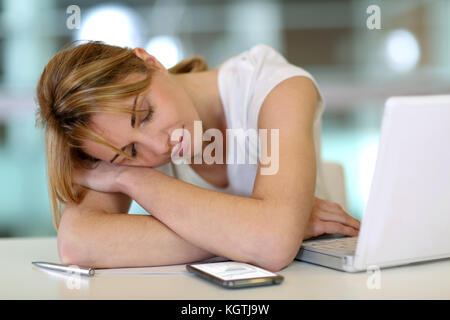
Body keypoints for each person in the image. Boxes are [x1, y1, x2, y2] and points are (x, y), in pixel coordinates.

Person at [35, 41, 360, 272]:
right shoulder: (110, 141)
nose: (157, 147)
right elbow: (78, 243)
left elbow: (273, 245)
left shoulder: (274, 87)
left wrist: (132, 178)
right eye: (130, 153)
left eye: (145, 114)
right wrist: (264, 230)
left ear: (150, 61)